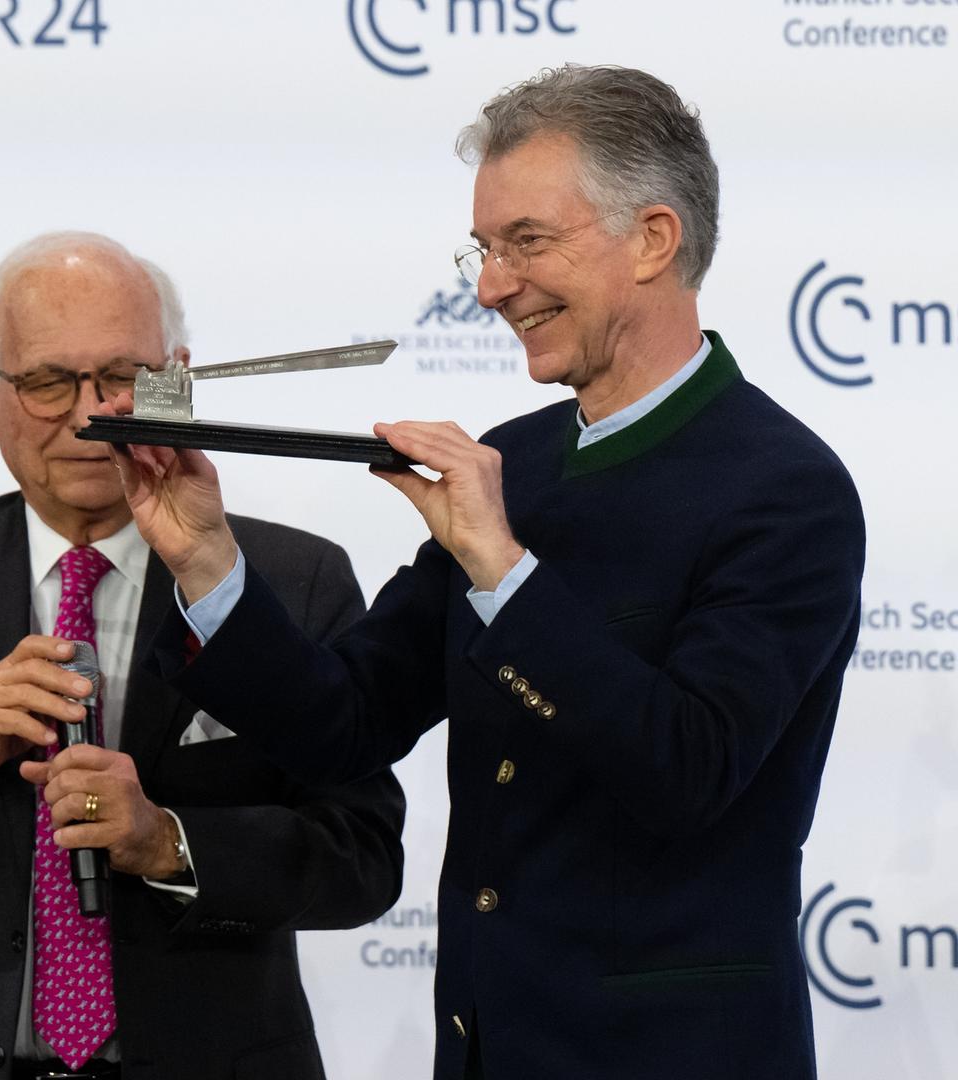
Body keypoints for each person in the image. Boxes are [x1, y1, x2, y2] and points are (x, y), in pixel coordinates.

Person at [99, 66, 865, 1080]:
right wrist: (205, 559)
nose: (491, 286)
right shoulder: (523, 460)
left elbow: (687, 769)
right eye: (485, 249)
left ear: (653, 239)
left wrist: (502, 568)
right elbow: (348, 722)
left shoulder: (786, 489)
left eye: (527, 244)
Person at [0, 231, 404, 1079]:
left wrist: (168, 842)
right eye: (49, 382)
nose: (90, 414)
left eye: (123, 378)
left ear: (177, 382)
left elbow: (365, 857)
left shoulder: (290, 580)